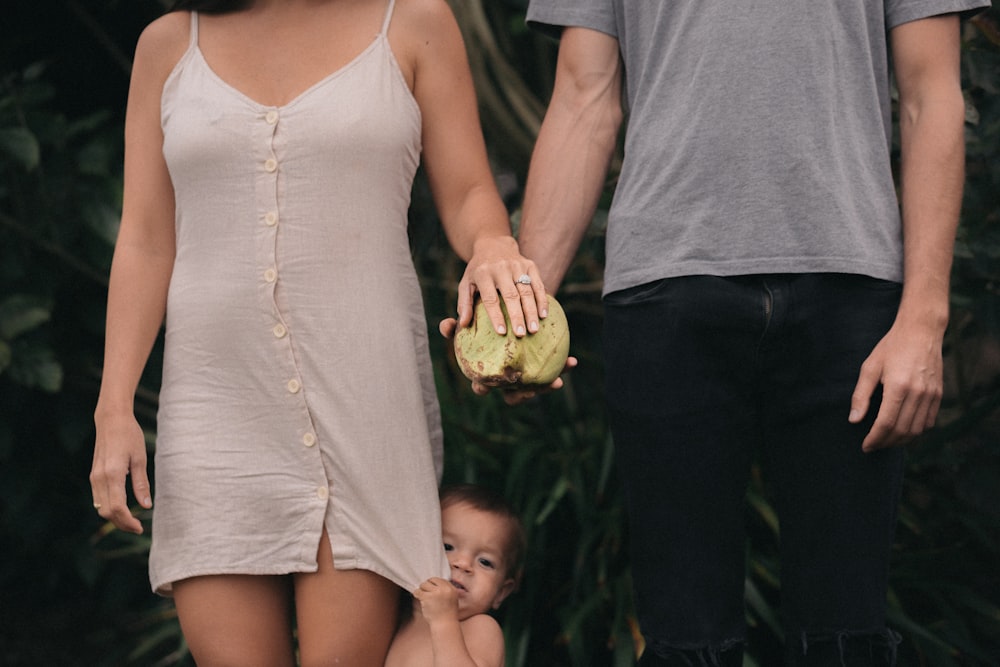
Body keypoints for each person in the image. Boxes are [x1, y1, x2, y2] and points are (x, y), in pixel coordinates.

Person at [513, 0, 990, 665]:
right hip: (665, 290)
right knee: (685, 643)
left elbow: (931, 94)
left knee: (846, 640)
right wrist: (521, 322)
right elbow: (583, 98)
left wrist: (924, 316)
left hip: (849, 294)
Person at [87, 0, 548, 664]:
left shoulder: (415, 20)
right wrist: (114, 406)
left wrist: (494, 243)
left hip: (363, 405)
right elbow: (145, 238)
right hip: (215, 408)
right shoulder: (168, 44)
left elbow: (470, 190)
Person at [385, 483, 526, 667]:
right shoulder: (398, 618)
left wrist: (444, 621)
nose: (463, 564)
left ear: (501, 592)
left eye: (485, 562)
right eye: (447, 547)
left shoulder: (480, 628)